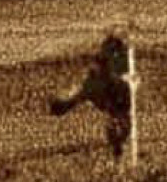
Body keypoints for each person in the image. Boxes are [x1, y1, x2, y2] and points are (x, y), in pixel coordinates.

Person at [49, 26, 136, 159]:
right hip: (111, 91)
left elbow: (80, 94)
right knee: (116, 112)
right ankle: (117, 147)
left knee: (112, 108)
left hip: (110, 91)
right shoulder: (100, 79)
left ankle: (117, 147)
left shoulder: (101, 77)